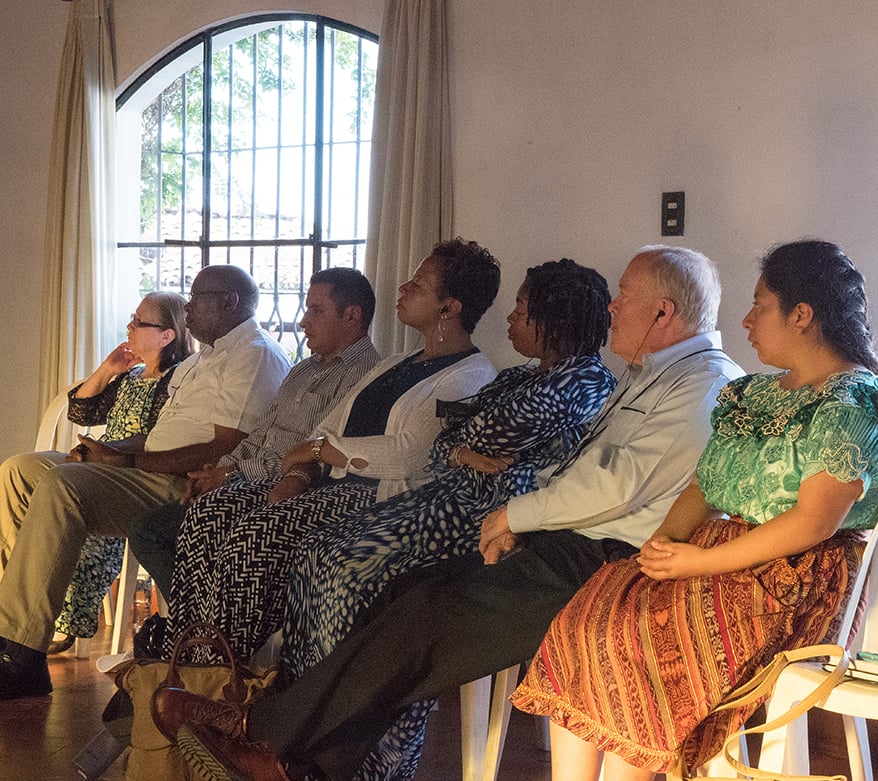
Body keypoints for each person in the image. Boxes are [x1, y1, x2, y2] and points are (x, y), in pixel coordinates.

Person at [152, 244, 745, 781]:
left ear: (664, 313)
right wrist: (511, 492)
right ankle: (299, 756)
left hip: (599, 558)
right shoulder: (650, 377)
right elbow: (508, 454)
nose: (615, 308)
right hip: (556, 536)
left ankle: (263, 735)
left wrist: (516, 512)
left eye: (627, 297)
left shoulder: (703, 385)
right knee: (402, 595)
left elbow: (614, 483)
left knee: (421, 612)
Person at [509, 240, 878, 780]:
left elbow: (812, 523)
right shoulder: (751, 395)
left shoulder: (852, 402)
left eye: (760, 305)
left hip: (790, 579)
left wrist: (693, 563)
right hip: (721, 558)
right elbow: (705, 485)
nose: (746, 320)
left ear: (802, 315)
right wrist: (660, 547)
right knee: (589, 615)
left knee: (633, 641)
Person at [271, 258, 616, 778]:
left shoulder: (585, 382)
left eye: (523, 309)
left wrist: (464, 445)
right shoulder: (525, 374)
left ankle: (370, 758)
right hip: (446, 498)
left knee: (350, 570)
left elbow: (482, 434)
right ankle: (299, 720)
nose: (511, 318)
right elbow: (447, 443)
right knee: (316, 553)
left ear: (555, 318)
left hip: (483, 521)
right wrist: (463, 449)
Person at [162, 238, 500, 664]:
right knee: (209, 514)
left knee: (255, 535)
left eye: (418, 284)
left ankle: (220, 670)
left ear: (449, 308)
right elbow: (326, 427)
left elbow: (408, 454)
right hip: (328, 486)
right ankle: (186, 654)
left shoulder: (469, 375)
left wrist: (321, 452)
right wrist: (300, 472)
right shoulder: (394, 364)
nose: (403, 289)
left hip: (374, 499)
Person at [0, 264, 291, 699]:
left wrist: (124, 459)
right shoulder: (205, 358)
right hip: (145, 467)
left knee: (64, 485)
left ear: (228, 302)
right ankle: (15, 625)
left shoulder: (255, 355)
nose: (187, 307)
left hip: (181, 483)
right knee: (19, 470)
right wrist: (106, 452)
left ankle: (19, 656)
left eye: (196, 298)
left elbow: (222, 448)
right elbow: (160, 434)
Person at [128, 267, 380, 601]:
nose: (304, 321)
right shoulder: (304, 368)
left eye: (315, 311)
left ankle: (205, 633)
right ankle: (202, 633)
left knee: (153, 531)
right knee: (164, 527)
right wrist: (218, 471)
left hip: (285, 488)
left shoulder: (365, 377)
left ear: (352, 316)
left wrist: (229, 472)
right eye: (306, 309)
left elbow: (312, 453)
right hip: (239, 477)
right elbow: (261, 431)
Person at [0, 292, 193, 654]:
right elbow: (81, 412)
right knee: (16, 470)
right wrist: (107, 371)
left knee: (64, 482)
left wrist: (103, 456)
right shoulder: (132, 376)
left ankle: (34, 630)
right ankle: (12, 608)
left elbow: (161, 441)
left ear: (167, 335)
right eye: (132, 318)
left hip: (132, 468)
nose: (129, 326)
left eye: (140, 322)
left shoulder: (179, 381)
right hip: (99, 460)